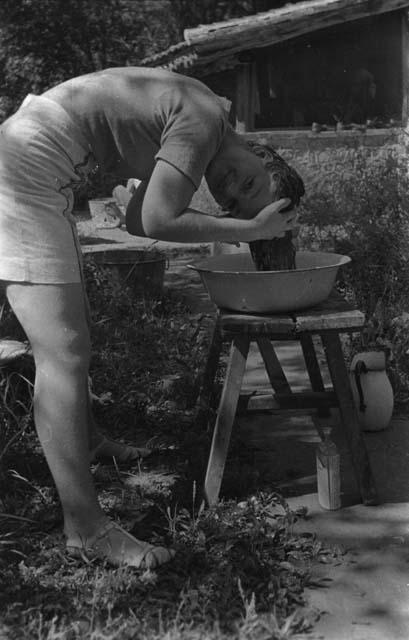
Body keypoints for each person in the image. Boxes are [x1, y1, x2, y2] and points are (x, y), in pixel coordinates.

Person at [0, 67, 296, 568]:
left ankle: (88, 441)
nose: (229, 188)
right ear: (261, 151)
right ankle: (87, 529)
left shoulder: (207, 114)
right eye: (248, 180)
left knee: (76, 328)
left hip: (34, 156)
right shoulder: (204, 121)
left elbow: (138, 216)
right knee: (63, 354)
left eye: (234, 198)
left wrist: (242, 220)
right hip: (28, 167)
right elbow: (157, 220)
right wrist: (249, 225)